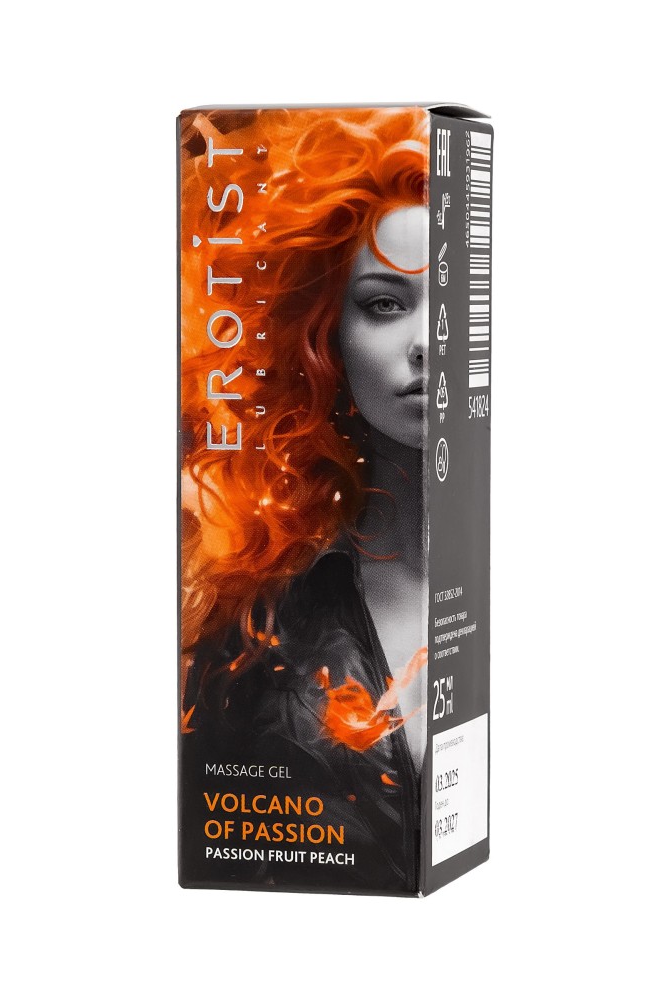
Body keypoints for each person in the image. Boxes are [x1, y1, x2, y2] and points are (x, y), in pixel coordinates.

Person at [179, 107, 430, 892]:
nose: (429, 342)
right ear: (324, 341)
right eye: (385, 304)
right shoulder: (258, 630)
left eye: (461, 305)